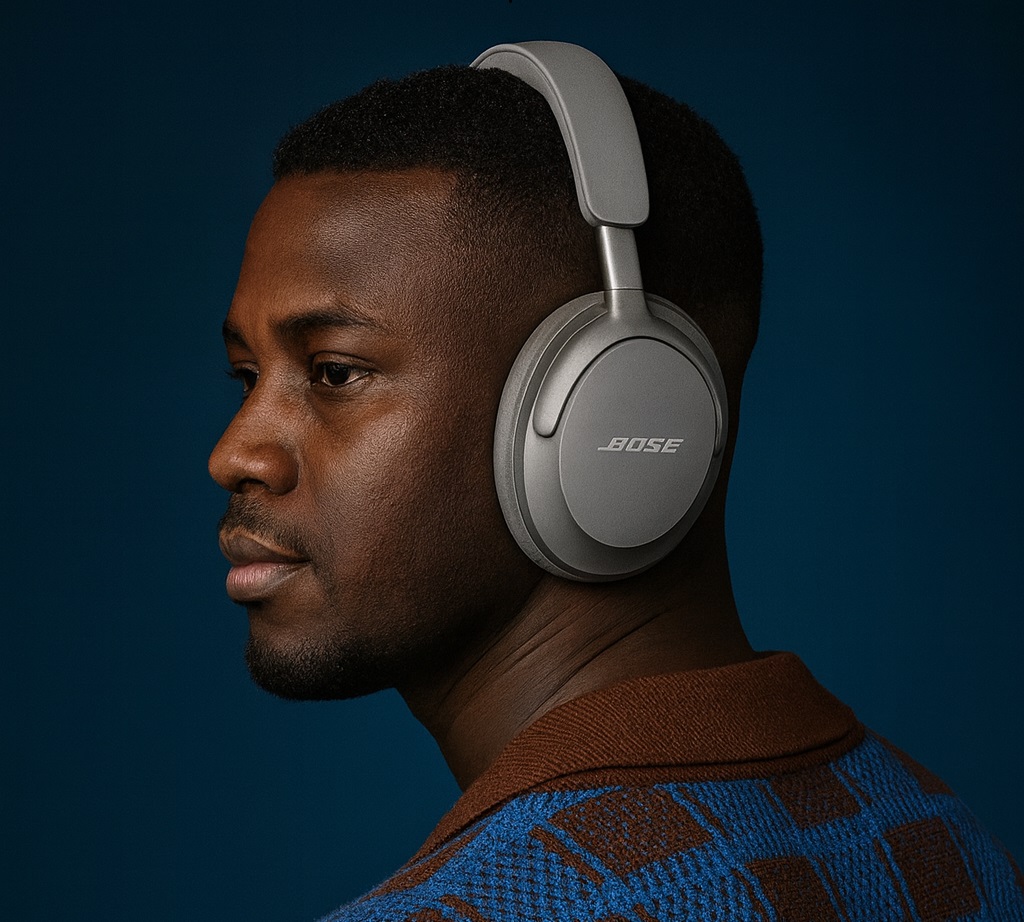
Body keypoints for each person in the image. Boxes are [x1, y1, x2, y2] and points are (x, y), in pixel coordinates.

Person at [209, 42, 1023, 922]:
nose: (235, 453)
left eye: (333, 372)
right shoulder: (952, 851)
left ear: (614, 409)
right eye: (246, 376)